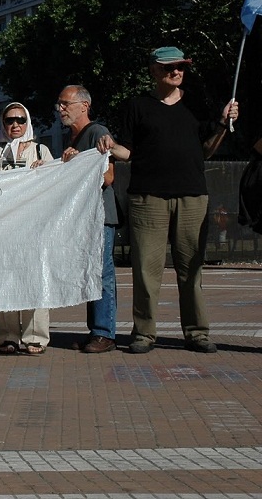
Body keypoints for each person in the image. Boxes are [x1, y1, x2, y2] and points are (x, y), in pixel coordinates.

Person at [98, 46, 238, 354]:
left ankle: (197, 332)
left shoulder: (197, 102)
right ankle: (144, 334)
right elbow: (129, 152)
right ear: (153, 71)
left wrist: (222, 125)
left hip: (192, 195)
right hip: (148, 198)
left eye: (181, 66)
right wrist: (111, 146)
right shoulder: (137, 105)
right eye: (169, 67)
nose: (177, 71)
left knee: (192, 269)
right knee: (147, 270)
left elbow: (207, 149)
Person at [0, 102, 53, 355]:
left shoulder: (41, 151)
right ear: (3, 123)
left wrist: (46, 170)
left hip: (34, 226)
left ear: (28, 122)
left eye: (20, 120)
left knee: (35, 279)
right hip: (3, 228)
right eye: (10, 120)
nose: (15, 125)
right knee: (5, 280)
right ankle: (8, 336)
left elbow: (56, 182)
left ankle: (35, 336)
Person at [58, 85, 120, 354]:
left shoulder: (97, 132)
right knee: (90, 273)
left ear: (84, 106)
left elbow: (108, 177)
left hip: (101, 215)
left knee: (102, 272)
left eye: (66, 104)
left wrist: (78, 160)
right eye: (59, 104)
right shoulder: (70, 138)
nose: (61, 109)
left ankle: (104, 333)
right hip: (84, 217)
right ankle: (95, 331)